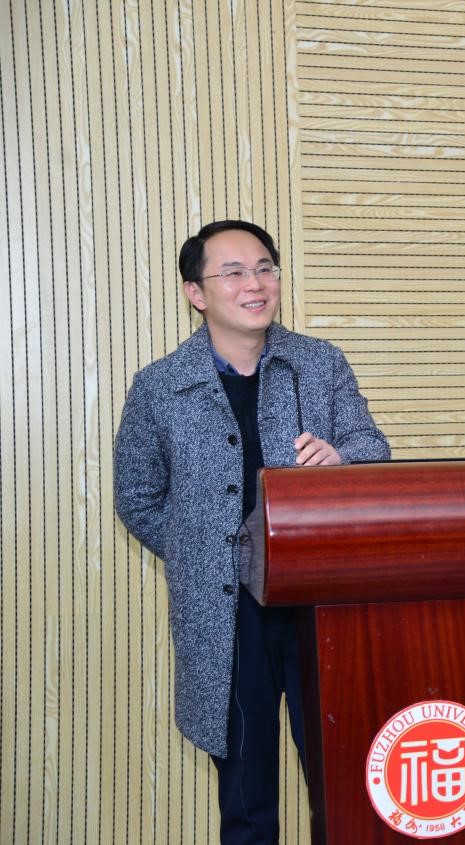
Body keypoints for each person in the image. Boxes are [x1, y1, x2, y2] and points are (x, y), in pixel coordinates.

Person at [113, 220, 390, 843]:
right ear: (196, 293)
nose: (255, 284)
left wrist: (343, 459)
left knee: (344, 776)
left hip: (322, 604)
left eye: (265, 268)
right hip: (226, 614)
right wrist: (201, 552)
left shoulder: (318, 363)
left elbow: (373, 448)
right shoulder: (160, 386)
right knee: (246, 792)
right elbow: (138, 498)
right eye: (233, 272)